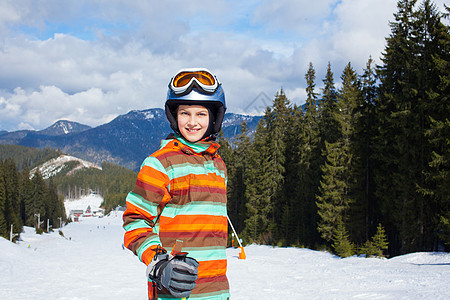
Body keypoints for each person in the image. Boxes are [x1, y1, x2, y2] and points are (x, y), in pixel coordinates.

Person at [123, 68, 230, 300]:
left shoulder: (218, 165)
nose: (192, 122)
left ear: (214, 118)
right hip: (173, 292)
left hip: (216, 291)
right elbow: (135, 221)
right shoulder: (160, 163)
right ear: (174, 116)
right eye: (185, 113)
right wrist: (159, 263)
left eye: (201, 114)